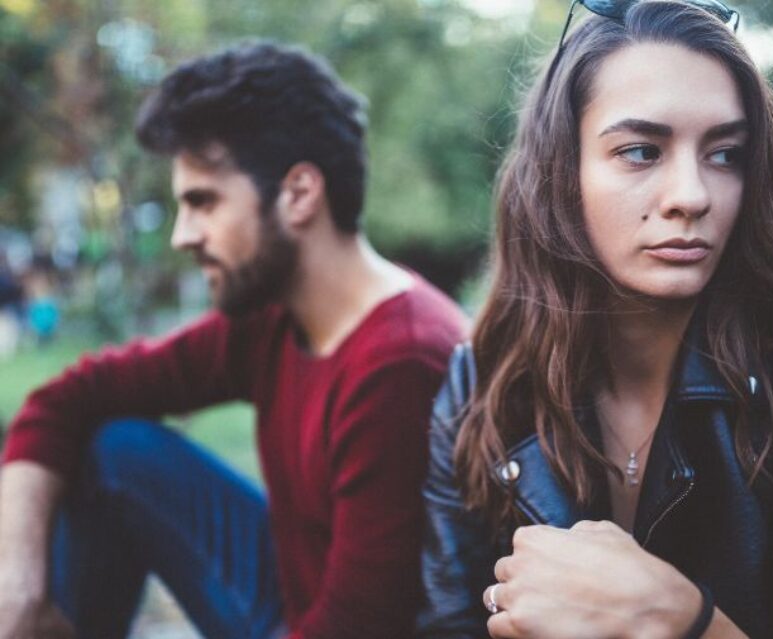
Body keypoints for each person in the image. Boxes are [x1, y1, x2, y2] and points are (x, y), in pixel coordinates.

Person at [418, 2, 773, 638]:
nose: (692, 195)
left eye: (726, 154)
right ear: (561, 171)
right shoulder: (482, 386)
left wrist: (683, 622)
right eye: (640, 151)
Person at [0, 42, 467, 638]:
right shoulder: (273, 314)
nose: (181, 236)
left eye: (203, 202)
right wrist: (18, 589)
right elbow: (64, 400)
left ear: (299, 193)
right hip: (296, 604)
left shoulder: (402, 363)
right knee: (118, 450)